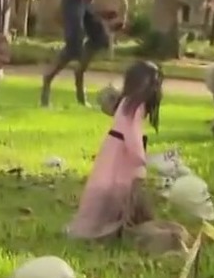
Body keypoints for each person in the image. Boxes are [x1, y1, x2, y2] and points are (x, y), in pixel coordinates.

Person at [66, 60, 162, 240]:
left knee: (110, 182)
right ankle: (112, 226)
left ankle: (113, 224)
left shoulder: (127, 103)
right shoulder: (134, 106)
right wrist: (140, 157)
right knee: (118, 186)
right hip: (123, 152)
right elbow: (132, 134)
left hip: (115, 148)